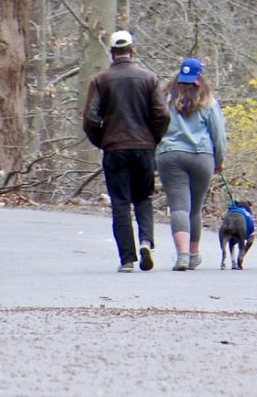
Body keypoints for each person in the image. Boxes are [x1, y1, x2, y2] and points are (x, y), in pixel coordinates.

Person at [83, 29, 170, 271]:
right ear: (132, 51)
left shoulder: (100, 80)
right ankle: (145, 241)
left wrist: (103, 141)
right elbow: (162, 114)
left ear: (112, 53)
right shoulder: (149, 78)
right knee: (143, 198)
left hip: (115, 148)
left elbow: (90, 118)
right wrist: (153, 138)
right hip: (144, 148)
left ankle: (127, 259)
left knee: (120, 203)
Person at [156, 57, 227, 271]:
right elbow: (219, 135)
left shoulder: (165, 99)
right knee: (194, 209)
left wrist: (155, 154)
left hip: (170, 155)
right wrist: (219, 160)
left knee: (178, 207)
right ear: (200, 77)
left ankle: (182, 256)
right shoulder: (208, 101)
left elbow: (155, 127)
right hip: (201, 156)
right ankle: (194, 254)